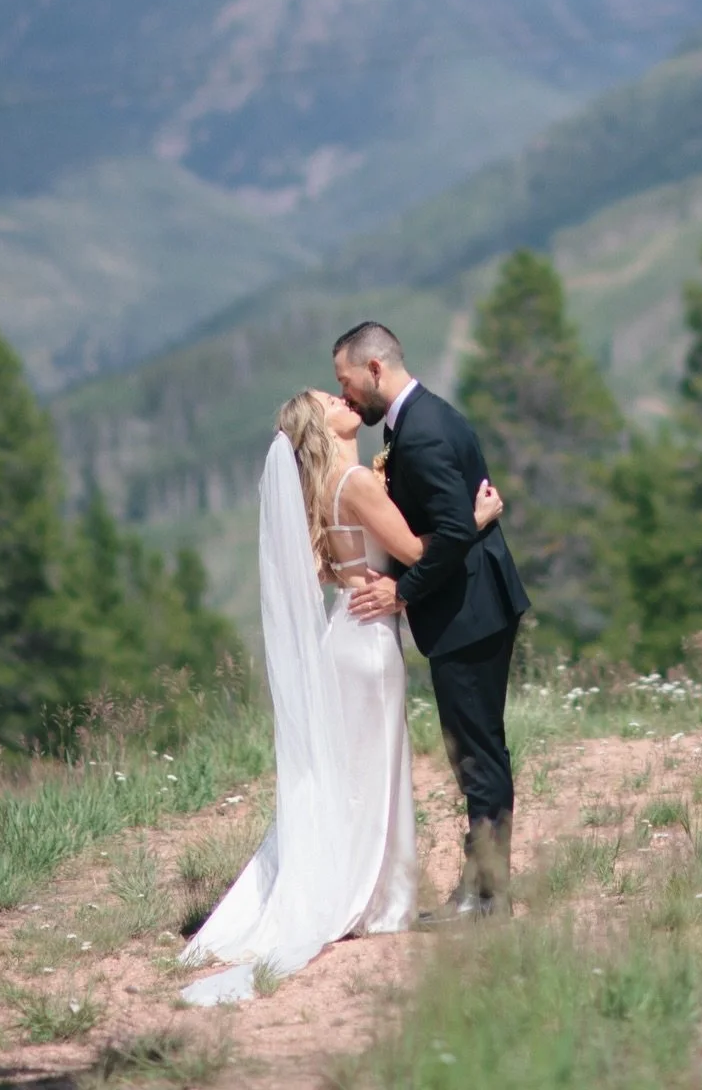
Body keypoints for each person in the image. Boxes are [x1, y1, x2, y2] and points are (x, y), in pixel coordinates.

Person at [180, 387, 503, 1003]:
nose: (344, 398)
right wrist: (478, 520)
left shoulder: (330, 482)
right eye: (331, 399)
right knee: (375, 772)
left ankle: (369, 888)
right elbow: (413, 552)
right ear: (321, 426)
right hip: (368, 644)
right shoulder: (353, 480)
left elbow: (342, 563)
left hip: (347, 632)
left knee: (356, 771)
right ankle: (377, 899)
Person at [337, 321, 530, 918]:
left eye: (346, 383)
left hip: (469, 609)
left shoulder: (421, 433)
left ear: (375, 370)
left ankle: (487, 897)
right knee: (477, 750)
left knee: (478, 753)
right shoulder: (420, 420)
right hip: (472, 603)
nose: (345, 397)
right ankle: (480, 889)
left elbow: (449, 531)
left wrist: (402, 591)